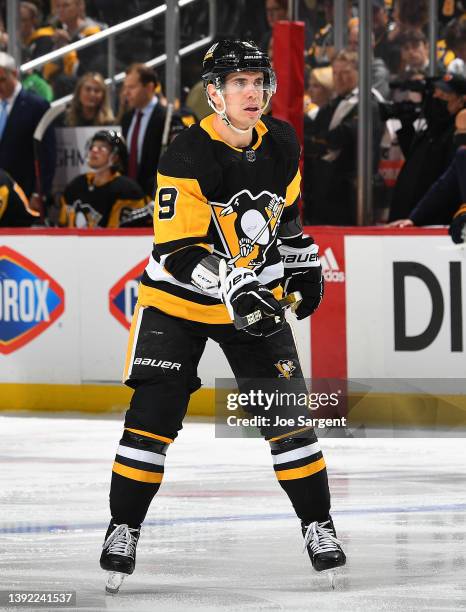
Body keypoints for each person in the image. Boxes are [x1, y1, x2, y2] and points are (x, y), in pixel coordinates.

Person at [99, 39, 346, 594]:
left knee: (290, 420)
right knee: (151, 417)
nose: (252, 91)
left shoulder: (282, 141)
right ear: (214, 92)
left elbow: (283, 217)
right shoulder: (186, 153)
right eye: (238, 82)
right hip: (177, 302)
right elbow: (180, 250)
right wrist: (236, 289)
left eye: (258, 80)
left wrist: (303, 261)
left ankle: (318, 524)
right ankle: (123, 527)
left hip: (250, 298)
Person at [304, 49, 384, 224]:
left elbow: (341, 137)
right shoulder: (330, 106)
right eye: (335, 73)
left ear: (359, 73)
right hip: (325, 188)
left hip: (352, 191)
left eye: (345, 73)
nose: (339, 78)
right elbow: (314, 141)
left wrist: (320, 143)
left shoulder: (368, 103)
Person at [388, 73, 466, 222]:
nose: (436, 98)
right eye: (436, 93)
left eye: (444, 95)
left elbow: (447, 185)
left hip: (437, 224)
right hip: (410, 218)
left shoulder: (455, 136)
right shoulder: (431, 130)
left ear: (461, 100)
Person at [388, 108, 466, 240]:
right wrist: (413, 219)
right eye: (458, 132)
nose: (458, 137)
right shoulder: (462, 156)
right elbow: (442, 188)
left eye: (463, 134)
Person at [58, 129, 151, 228]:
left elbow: (120, 234)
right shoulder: (76, 185)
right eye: (92, 146)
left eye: (102, 147)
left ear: (115, 157)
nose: (94, 150)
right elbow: (64, 225)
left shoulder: (127, 190)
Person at [0, 52, 55, 207]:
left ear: (15, 74)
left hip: (23, 192)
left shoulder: (37, 105)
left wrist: (40, 192)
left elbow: (47, 154)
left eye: (2, 80)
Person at [120, 64, 170, 198]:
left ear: (149, 87)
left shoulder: (167, 118)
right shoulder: (126, 119)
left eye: (131, 87)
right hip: (128, 197)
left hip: (154, 197)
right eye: (125, 87)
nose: (126, 93)